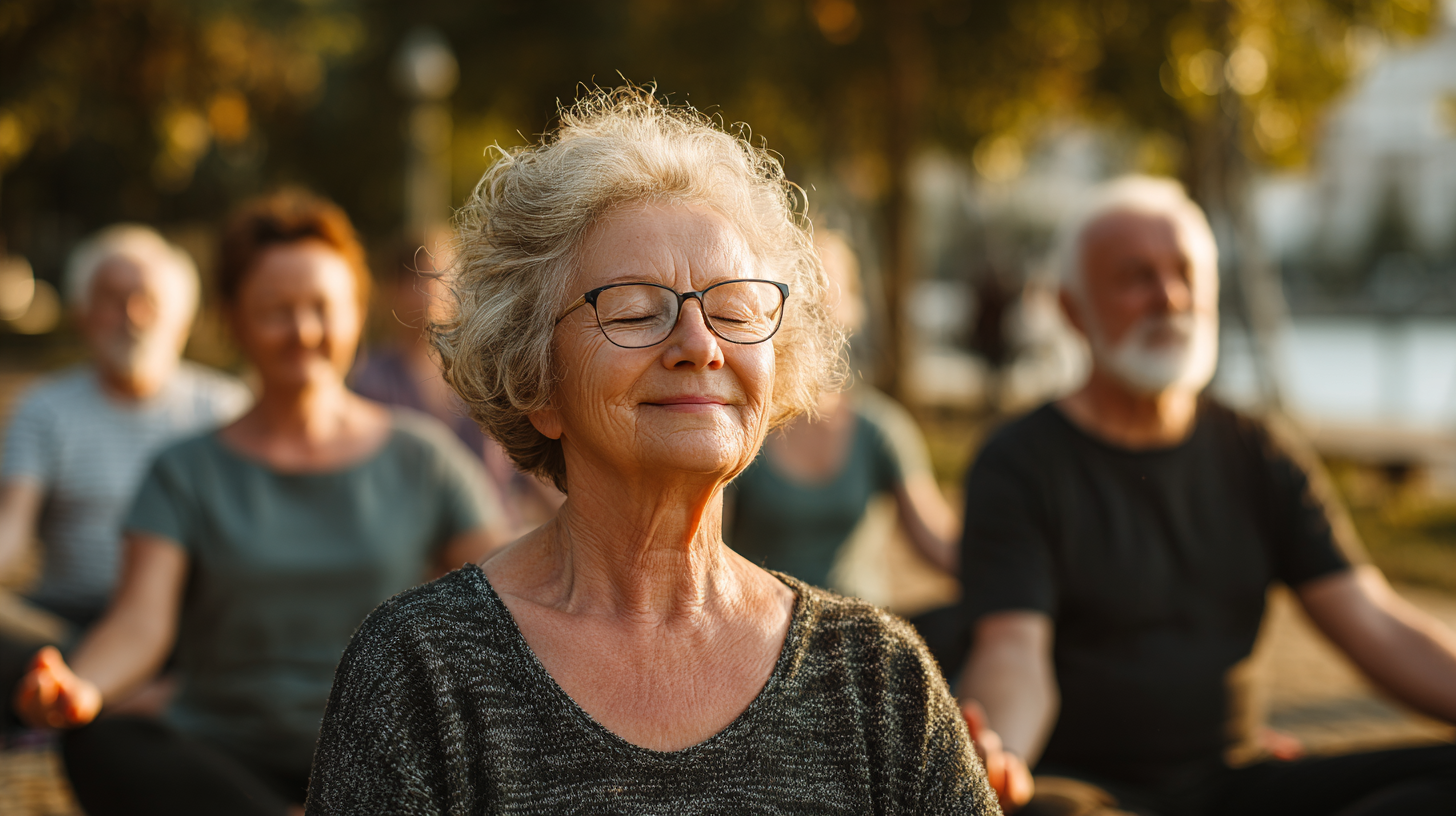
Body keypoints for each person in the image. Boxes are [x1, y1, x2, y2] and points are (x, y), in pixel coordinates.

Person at [306, 88, 997, 815]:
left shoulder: (876, 677)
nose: (700, 346)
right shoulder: (422, 671)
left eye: (734, 312)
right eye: (635, 311)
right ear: (535, 381)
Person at [955, 176, 1456, 815]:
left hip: (1239, 782)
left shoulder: (1259, 450)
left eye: (1186, 273)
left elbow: (1372, 620)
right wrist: (1000, 756)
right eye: (1135, 277)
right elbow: (1012, 651)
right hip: (1091, 791)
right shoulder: (1018, 461)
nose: (1170, 296)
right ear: (1073, 310)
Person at [12, 190, 508, 816]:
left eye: (322, 308)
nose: (303, 330)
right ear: (232, 319)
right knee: (101, 743)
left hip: (381, 760)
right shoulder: (184, 469)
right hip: (219, 758)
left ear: (357, 312)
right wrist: (83, 688)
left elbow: (510, 583)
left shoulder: (422, 457)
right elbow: (139, 623)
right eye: (276, 310)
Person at [0, 225, 249, 726]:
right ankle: (116, 691)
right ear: (82, 314)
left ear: (181, 318)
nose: (131, 316)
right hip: (65, 621)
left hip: (186, 625)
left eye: (147, 299)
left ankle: (91, 695)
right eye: (112, 299)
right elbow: (11, 527)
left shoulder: (225, 409)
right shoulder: (45, 408)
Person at [727, 230, 958, 594]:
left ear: (855, 307)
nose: (816, 297)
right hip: (761, 635)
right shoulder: (743, 424)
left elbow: (937, 544)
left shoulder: (880, 429)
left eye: (829, 283)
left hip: (859, 638)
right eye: (802, 281)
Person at [352, 235, 563, 532]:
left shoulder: (486, 373)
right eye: (422, 279)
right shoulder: (368, 380)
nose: (434, 292)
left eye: (445, 278)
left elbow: (526, 465)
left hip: (495, 539)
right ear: (395, 289)